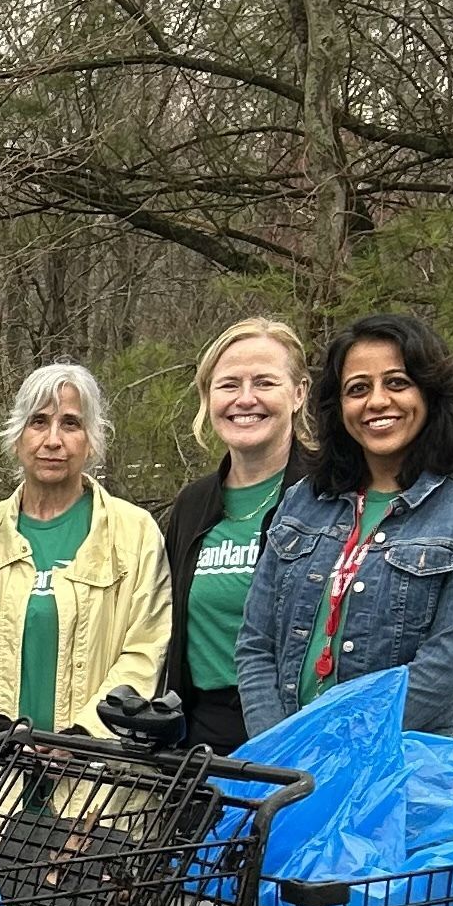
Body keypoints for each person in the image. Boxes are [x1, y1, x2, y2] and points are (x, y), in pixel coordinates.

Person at [236, 311, 453, 738]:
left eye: (397, 383)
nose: (377, 401)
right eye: (358, 389)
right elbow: (256, 645)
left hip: (410, 770)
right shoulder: (303, 501)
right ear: (339, 406)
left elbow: (450, 665)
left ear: (430, 394)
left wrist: (341, 747)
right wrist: (276, 747)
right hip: (288, 769)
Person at [0, 360, 171, 742]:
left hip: (97, 777)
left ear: (92, 439)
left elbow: (146, 650)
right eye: (38, 421)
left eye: (70, 423)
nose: (52, 440)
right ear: (17, 437)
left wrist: (84, 734)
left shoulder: (135, 533)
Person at [158, 316, 309, 752]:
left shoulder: (330, 494)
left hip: (296, 728)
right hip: (200, 736)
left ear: (298, 393)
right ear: (208, 397)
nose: (245, 399)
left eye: (264, 382)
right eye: (228, 385)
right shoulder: (193, 504)